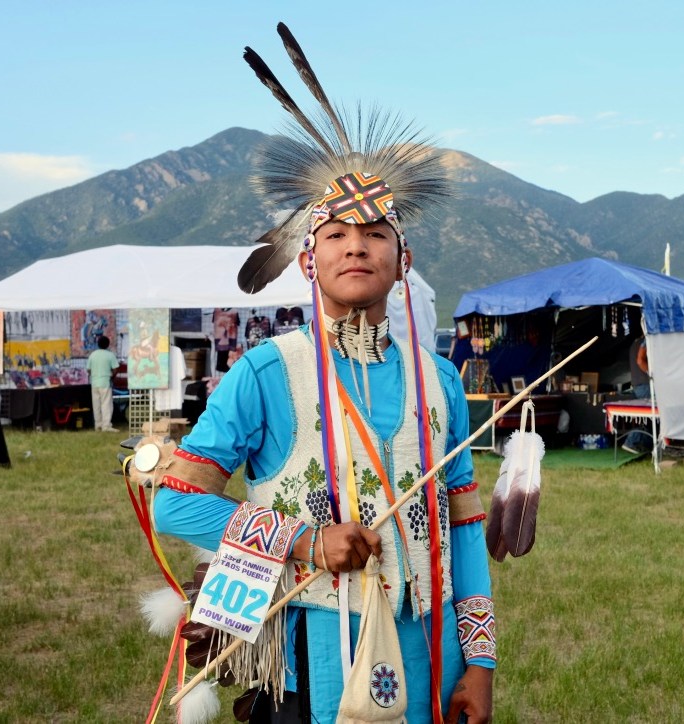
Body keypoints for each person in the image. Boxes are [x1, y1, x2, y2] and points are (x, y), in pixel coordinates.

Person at [133, 23, 495, 723]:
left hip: (432, 651)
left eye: (376, 234)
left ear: (404, 259)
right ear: (308, 259)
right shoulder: (267, 373)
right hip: (312, 652)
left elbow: (466, 529)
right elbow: (175, 503)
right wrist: (304, 540)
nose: (356, 247)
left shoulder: (439, 380)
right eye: (335, 234)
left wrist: (479, 663)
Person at [622, 335, 653, 454]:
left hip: (638, 385)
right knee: (653, 416)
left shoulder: (634, 343)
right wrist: (653, 375)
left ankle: (642, 443)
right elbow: (640, 361)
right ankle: (632, 441)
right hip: (646, 384)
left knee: (649, 417)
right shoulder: (647, 340)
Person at [86, 335, 119, 431]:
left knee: (96, 405)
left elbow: (88, 370)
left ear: (98, 344)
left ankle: (98, 425)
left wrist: (94, 375)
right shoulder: (110, 355)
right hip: (105, 382)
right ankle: (106, 426)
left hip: (94, 383)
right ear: (108, 344)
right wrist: (111, 377)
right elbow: (115, 369)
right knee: (106, 404)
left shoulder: (93, 355)